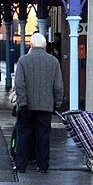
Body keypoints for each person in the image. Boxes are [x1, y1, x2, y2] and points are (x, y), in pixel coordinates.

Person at [14, 32, 64, 173]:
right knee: (43, 137)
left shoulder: (23, 61)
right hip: (46, 106)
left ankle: (21, 165)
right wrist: (57, 103)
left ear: (31, 45)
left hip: (26, 107)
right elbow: (58, 86)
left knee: (24, 136)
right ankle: (43, 166)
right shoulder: (53, 62)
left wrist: (22, 103)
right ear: (45, 45)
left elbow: (19, 84)